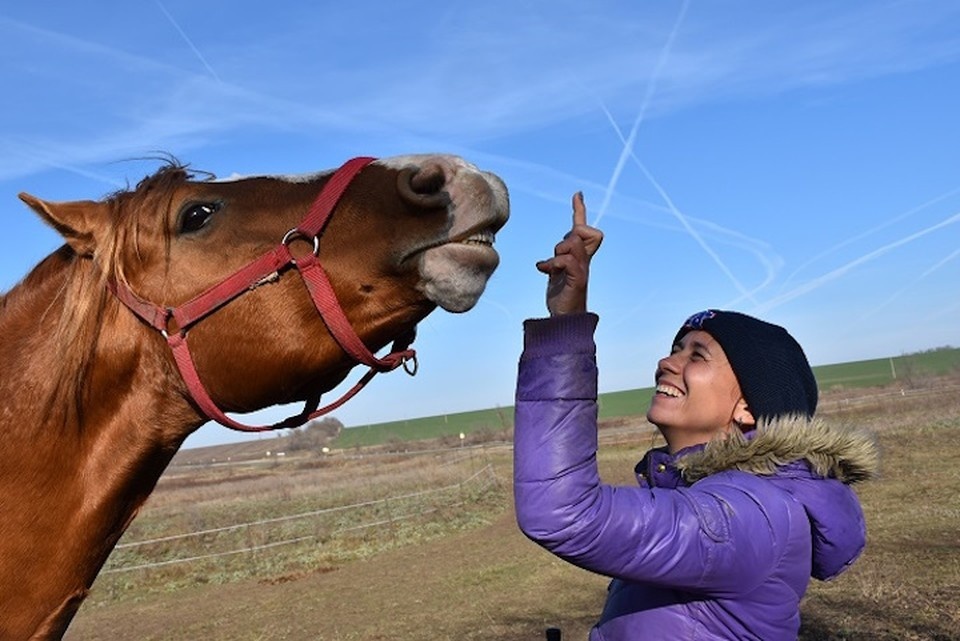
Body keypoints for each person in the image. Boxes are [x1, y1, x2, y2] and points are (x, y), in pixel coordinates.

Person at [513, 193, 879, 640]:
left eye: (697, 355)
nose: (667, 363)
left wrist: (565, 328)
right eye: (674, 349)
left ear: (748, 407)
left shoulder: (752, 514)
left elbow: (563, 512)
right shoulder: (718, 497)